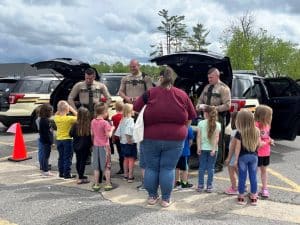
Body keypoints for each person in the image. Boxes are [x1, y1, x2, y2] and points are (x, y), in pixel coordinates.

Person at [133, 67, 197, 207]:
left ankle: (152, 196)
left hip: (150, 137)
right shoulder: (182, 95)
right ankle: (166, 199)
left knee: (152, 168)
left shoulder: (150, 93)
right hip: (175, 138)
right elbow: (192, 115)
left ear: (160, 78)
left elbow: (136, 107)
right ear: (173, 79)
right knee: (168, 168)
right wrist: (184, 129)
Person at [118, 59, 153, 190]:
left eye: (134, 66)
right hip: (128, 108)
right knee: (127, 132)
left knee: (141, 131)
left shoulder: (146, 78)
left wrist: (140, 99)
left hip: (141, 109)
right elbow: (120, 91)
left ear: (139, 66)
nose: (132, 68)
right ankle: (127, 166)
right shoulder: (125, 78)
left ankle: (142, 155)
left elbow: (150, 92)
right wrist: (127, 99)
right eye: (131, 66)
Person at [196, 67, 231, 172]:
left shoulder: (224, 88)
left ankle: (218, 164)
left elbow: (227, 105)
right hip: (205, 117)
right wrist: (198, 106)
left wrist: (214, 109)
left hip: (217, 117)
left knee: (217, 141)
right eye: (208, 77)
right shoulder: (207, 87)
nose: (209, 79)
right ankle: (203, 162)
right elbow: (200, 99)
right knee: (204, 139)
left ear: (217, 76)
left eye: (211, 77)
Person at [234, 109, 260, 206]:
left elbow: (237, 147)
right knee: (253, 177)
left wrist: (236, 159)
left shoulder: (239, 132)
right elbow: (258, 144)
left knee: (242, 177)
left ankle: (241, 197)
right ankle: (253, 196)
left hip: (242, 157)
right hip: (254, 156)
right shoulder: (256, 131)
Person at [196, 106, 221, 193]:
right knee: (211, 168)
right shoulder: (218, 125)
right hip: (213, 149)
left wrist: (199, 147)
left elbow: (198, 137)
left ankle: (200, 185)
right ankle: (209, 186)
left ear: (206, 114)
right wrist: (214, 149)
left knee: (201, 167)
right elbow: (217, 138)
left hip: (203, 148)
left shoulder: (201, 123)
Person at [91, 103, 115, 192]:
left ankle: (96, 184)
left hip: (96, 146)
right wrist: (112, 128)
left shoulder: (93, 121)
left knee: (96, 167)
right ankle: (108, 184)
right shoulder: (105, 123)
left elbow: (92, 134)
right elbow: (108, 135)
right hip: (104, 146)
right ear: (105, 112)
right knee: (106, 166)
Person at [54, 100, 78, 179]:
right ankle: (67, 174)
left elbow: (56, 113)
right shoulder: (69, 118)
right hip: (68, 139)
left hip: (59, 139)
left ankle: (61, 173)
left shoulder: (56, 118)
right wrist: (72, 109)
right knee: (67, 157)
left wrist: (61, 108)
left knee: (61, 157)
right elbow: (79, 117)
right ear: (67, 109)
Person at [254, 105, 274, 198]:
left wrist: (270, 140)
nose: (270, 117)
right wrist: (268, 142)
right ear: (263, 116)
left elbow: (266, 137)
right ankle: (254, 189)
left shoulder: (267, 125)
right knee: (255, 171)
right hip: (258, 153)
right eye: (269, 115)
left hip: (266, 152)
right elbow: (259, 143)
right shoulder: (256, 125)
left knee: (264, 171)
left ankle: (264, 188)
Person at [115, 103, 137, 183]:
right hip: (129, 142)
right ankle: (130, 176)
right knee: (131, 159)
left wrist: (122, 139)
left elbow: (118, 132)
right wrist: (129, 140)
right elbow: (128, 131)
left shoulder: (122, 120)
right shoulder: (130, 120)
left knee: (125, 159)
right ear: (130, 111)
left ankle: (125, 175)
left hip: (122, 142)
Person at [69, 107, 92, 184]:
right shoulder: (88, 124)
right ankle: (81, 176)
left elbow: (70, 134)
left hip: (76, 145)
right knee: (83, 161)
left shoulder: (75, 124)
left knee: (78, 160)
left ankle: (80, 174)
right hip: (85, 146)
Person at [224, 111, 239, 195]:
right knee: (237, 170)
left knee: (231, 170)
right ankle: (242, 185)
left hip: (233, 154)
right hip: (239, 155)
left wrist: (228, 157)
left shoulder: (234, 132)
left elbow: (232, 146)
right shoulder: (242, 131)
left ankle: (234, 187)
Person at [38, 104, 54, 177]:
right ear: (48, 112)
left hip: (42, 140)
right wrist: (51, 142)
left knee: (44, 156)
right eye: (51, 111)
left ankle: (44, 169)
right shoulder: (47, 121)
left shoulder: (41, 120)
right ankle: (46, 171)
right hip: (46, 141)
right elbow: (48, 133)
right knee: (46, 156)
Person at [111, 101, 124, 175]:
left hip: (117, 137)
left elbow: (114, 128)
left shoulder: (114, 117)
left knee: (120, 153)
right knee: (125, 153)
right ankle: (127, 168)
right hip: (125, 137)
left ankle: (122, 168)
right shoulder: (125, 116)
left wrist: (113, 138)